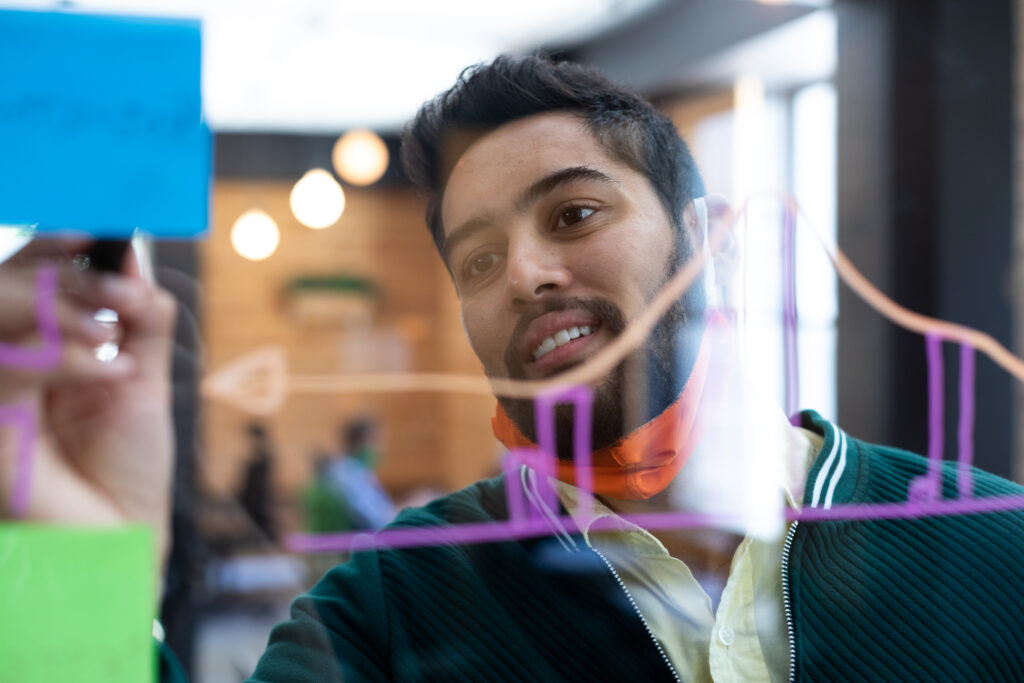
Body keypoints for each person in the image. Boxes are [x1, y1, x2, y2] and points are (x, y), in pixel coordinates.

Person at [3, 55, 1023, 682]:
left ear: (712, 242)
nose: (526, 274)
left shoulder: (991, 545)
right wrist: (72, 565)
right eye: (478, 259)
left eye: (574, 213)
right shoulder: (392, 604)